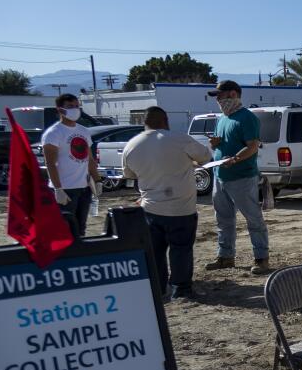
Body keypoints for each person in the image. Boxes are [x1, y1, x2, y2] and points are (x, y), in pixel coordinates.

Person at [122, 106, 211, 301]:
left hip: (151, 208)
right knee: (181, 249)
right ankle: (181, 288)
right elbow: (205, 156)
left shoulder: (131, 145)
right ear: (165, 120)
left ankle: (159, 287)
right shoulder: (179, 139)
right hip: (181, 208)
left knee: (156, 251)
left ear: (144, 122)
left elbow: (129, 174)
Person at [204, 80, 271, 275]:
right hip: (220, 176)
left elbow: (252, 146)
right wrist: (214, 144)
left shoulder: (246, 118)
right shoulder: (222, 118)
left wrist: (235, 159)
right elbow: (219, 145)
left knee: (253, 219)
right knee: (223, 219)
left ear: (233, 94)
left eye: (220, 95)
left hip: (241, 177)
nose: (217, 100)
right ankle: (225, 257)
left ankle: (261, 259)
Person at [42, 93, 104, 238]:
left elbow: (89, 159)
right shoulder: (53, 133)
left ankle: (79, 255)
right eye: (70, 106)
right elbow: (50, 163)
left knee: (81, 228)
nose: (75, 109)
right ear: (60, 110)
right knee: (65, 230)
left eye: (77, 106)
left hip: (84, 188)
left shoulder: (83, 131)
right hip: (65, 190)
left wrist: (98, 180)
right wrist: (58, 189)